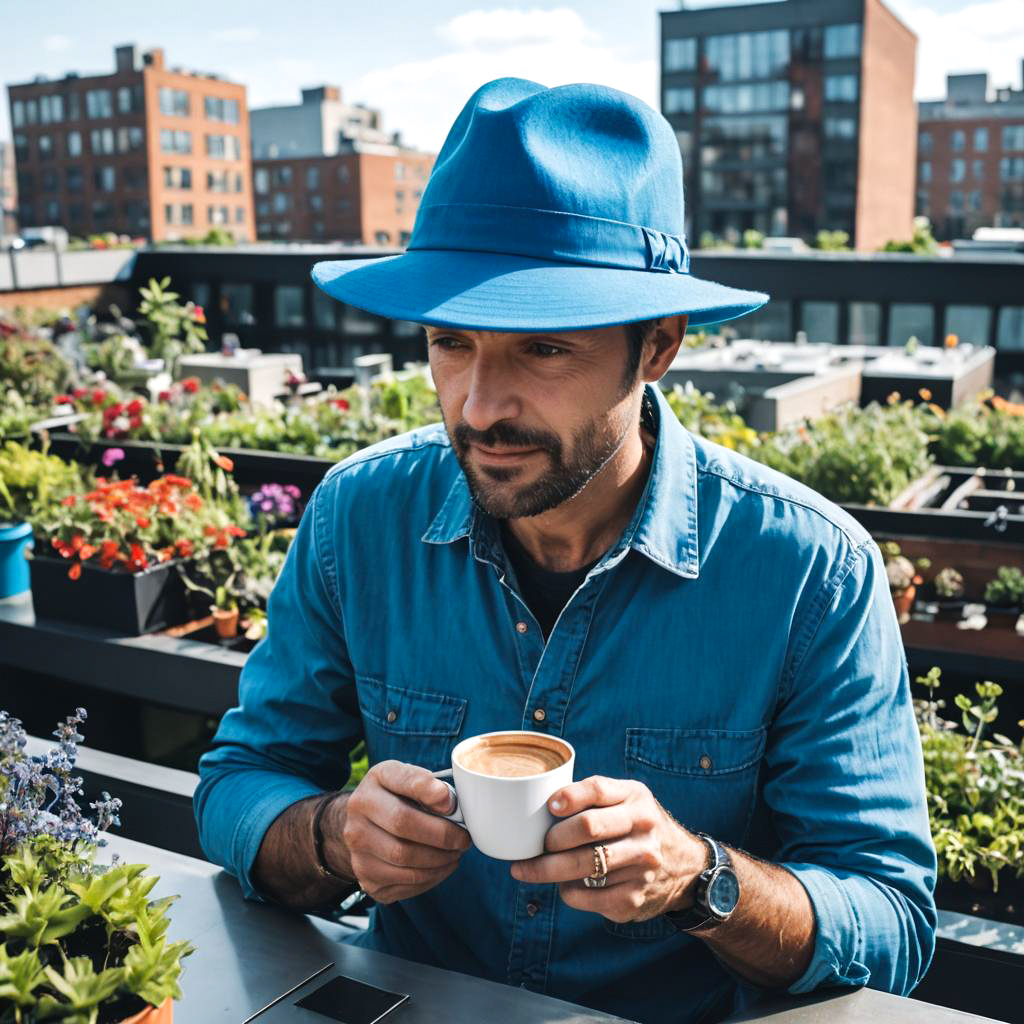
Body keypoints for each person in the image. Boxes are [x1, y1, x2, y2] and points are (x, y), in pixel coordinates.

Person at [194, 78, 936, 1024]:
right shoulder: (357, 517)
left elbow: (892, 919)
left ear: (658, 345)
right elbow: (237, 782)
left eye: (542, 351)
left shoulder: (808, 572)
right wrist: (336, 836)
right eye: (451, 342)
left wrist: (697, 881)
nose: (478, 406)